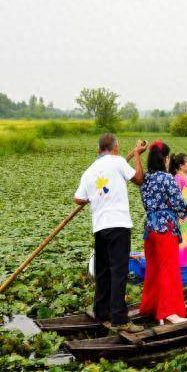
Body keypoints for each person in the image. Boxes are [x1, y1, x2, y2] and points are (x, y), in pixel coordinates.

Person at [74, 133, 146, 333]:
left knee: (104, 271)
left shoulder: (89, 171)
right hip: (118, 224)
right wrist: (138, 155)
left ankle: (102, 311)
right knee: (119, 272)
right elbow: (139, 179)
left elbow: (78, 199)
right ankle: (120, 319)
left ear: (98, 149)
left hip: (100, 227)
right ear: (115, 147)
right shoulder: (118, 161)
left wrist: (91, 198)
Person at [139, 141, 187, 324]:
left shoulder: (146, 178)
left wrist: (136, 155)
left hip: (150, 229)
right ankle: (169, 312)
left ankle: (152, 307)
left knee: (154, 270)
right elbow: (180, 204)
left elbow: (137, 176)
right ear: (165, 159)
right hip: (166, 230)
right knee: (169, 270)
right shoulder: (166, 178)